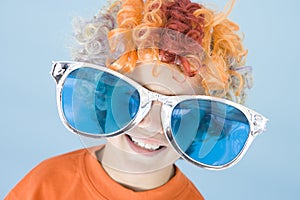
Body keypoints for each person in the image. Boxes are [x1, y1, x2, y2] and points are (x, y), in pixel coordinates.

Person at [5, 0, 268, 199]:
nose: (152, 124)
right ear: (101, 95)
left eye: (182, 110)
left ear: (204, 123)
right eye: (133, 95)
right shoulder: (46, 185)